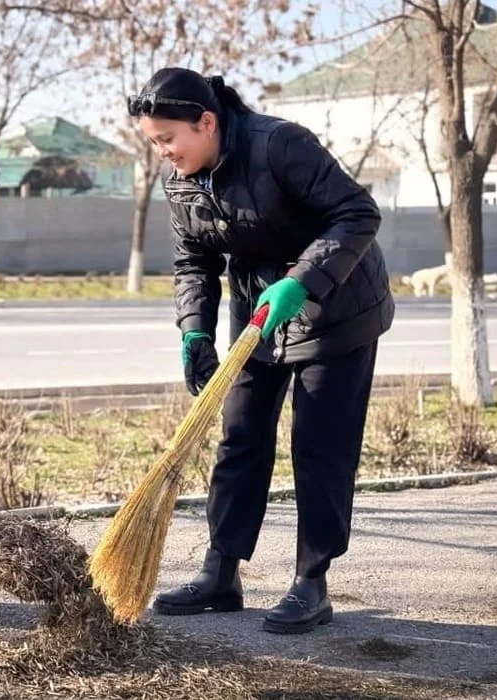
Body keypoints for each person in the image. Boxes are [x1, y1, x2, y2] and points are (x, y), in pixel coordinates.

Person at [127, 67, 394, 634]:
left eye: (168, 138)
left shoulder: (280, 145)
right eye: (153, 142)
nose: (163, 152)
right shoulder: (181, 180)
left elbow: (358, 213)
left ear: (207, 122)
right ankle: (221, 572)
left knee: (320, 444)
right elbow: (193, 262)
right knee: (240, 434)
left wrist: (304, 279)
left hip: (337, 308)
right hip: (259, 316)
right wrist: (194, 329)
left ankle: (311, 582)